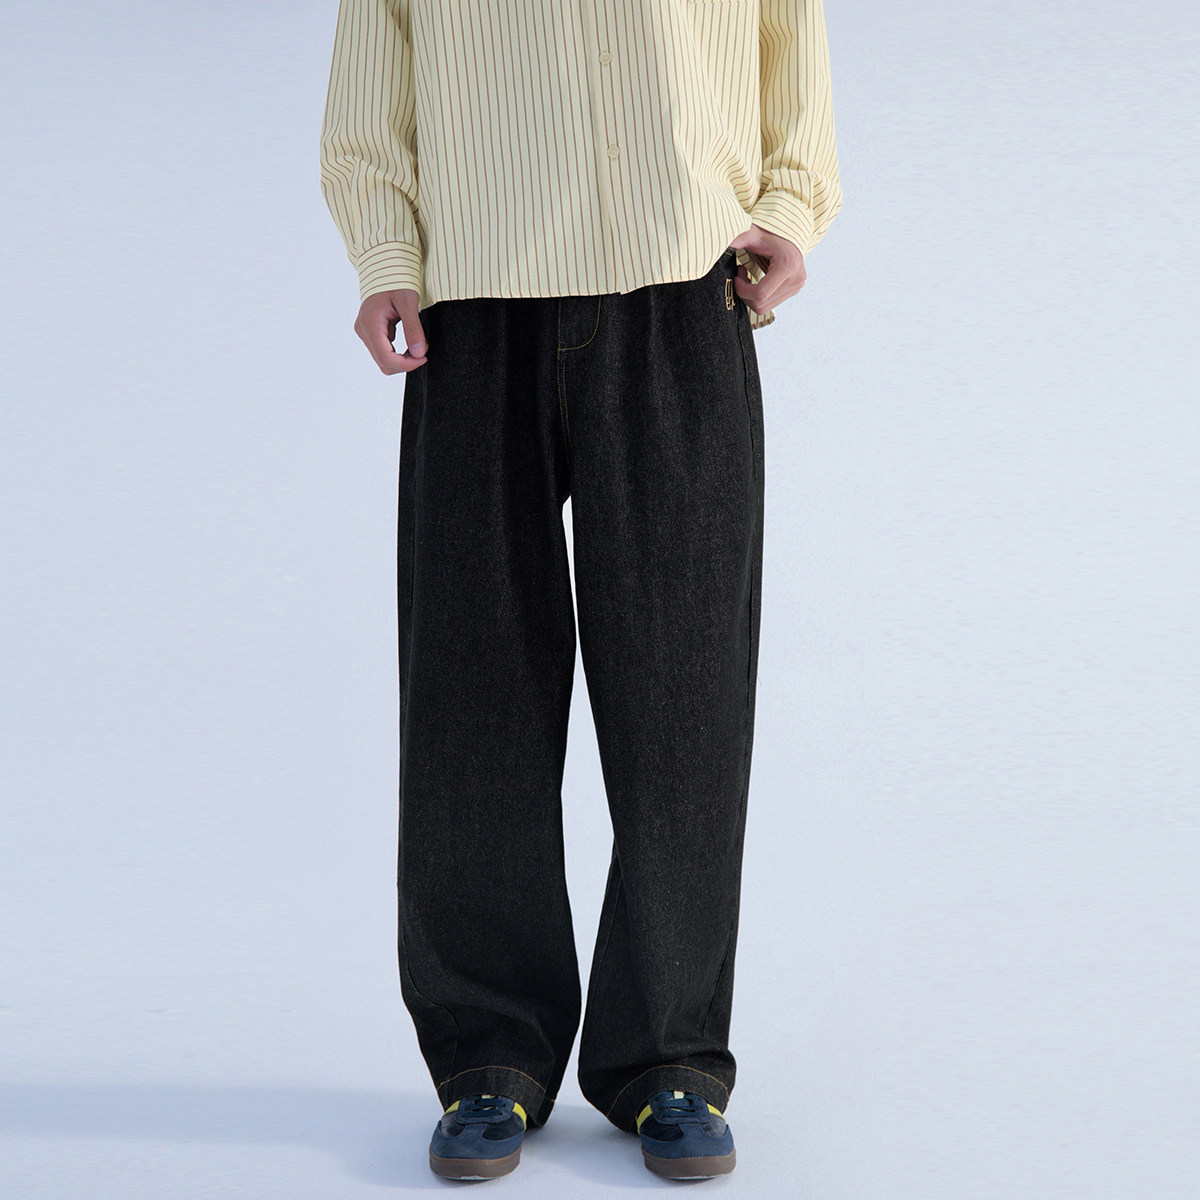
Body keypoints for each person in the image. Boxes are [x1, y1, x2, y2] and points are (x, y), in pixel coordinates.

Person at [319, 0, 842, 1180]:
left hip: (685, 289)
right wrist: (387, 254)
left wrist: (788, 208)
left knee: (684, 701)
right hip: (473, 303)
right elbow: (373, 66)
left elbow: (789, 38)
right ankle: (489, 1056)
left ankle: (669, 1057)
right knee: (474, 694)